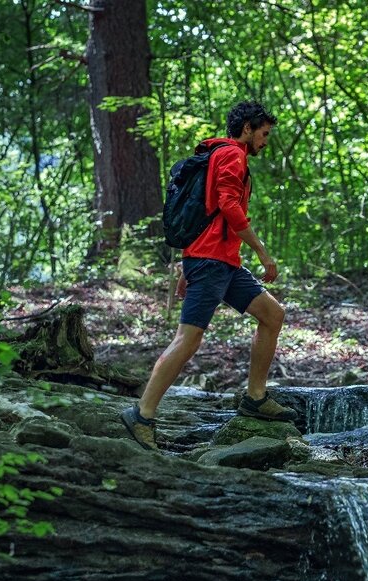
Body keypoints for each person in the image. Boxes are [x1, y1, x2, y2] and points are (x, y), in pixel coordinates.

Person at [121, 100, 296, 451]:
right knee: (188, 339)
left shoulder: (219, 154)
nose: (265, 142)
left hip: (221, 262)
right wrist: (263, 253)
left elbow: (210, 211)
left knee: (272, 314)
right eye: (263, 134)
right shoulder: (232, 155)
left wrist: (190, 265)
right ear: (247, 128)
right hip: (213, 262)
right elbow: (228, 205)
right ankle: (142, 414)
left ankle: (255, 397)